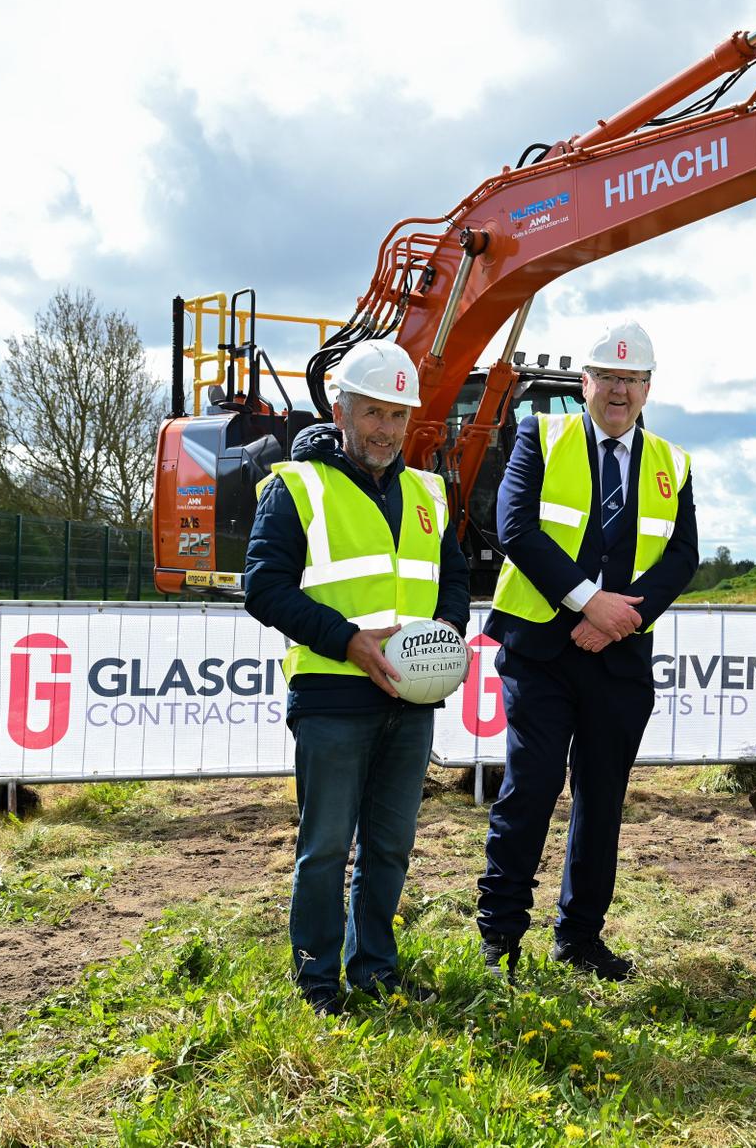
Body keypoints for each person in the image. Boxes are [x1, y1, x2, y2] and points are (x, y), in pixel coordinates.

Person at [244, 339, 470, 1015]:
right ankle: (318, 979)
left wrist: (444, 637)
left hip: (409, 700)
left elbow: (451, 577)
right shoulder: (297, 486)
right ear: (340, 409)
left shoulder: (428, 491)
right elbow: (262, 586)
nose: (385, 429)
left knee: (392, 846)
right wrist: (347, 640)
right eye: (372, 411)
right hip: (333, 698)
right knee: (325, 847)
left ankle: (375, 968)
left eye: (398, 416)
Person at [475, 321, 699, 982]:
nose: (620, 391)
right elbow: (513, 524)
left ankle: (580, 940)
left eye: (633, 379)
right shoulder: (539, 436)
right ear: (585, 385)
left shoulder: (673, 463)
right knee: (533, 787)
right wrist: (587, 601)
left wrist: (620, 620)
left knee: (601, 802)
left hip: (619, 658)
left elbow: (682, 556)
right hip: (541, 651)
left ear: (649, 387)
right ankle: (501, 940)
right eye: (609, 378)